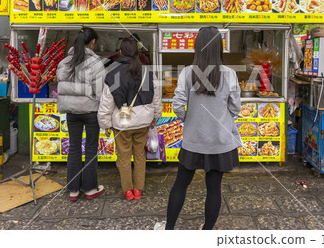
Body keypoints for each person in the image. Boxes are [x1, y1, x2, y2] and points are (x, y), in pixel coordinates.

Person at [155, 26, 243, 230]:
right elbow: (235, 107)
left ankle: (169, 229)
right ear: (219, 47)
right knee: (214, 188)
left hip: (193, 140)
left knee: (180, 183)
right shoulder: (229, 74)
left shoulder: (187, 72)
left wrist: (191, 119)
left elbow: (177, 105)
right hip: (219, 141)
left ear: (198, 47)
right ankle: (206, 232)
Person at [99, 37, 161, 201]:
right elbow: (157, 98)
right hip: (143, 122)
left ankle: (128, 191)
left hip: (122, 123)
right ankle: (138, 189)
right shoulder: (148, 72)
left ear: (120, 53)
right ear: (138, 53)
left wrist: (105, 124)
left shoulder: (112, 75)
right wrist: (155, 116)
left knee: (124, 157)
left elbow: (107, 103)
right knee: (140, 155)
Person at [56, 27, 106, 201]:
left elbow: (60, 85)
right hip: (91, 111)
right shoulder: (96, 63)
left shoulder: (64, 62)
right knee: (91, 149)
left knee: (74, 149)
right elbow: (100, 92)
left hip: (71, 112)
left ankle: (73, 190)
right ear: (92, 42)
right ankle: (90, 189)